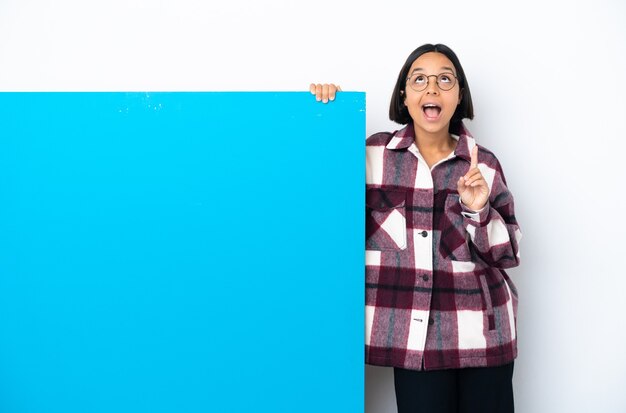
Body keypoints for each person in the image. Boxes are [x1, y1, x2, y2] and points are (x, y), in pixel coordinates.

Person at [310, 43, 522, 413]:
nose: (432, 88)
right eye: (419, 79)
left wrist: (478, 209)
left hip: (483, 336)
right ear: (404, 95)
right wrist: (326, 114)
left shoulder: (482, 164)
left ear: (459, 96)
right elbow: (318, 198)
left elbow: (508, 253)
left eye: (445, 79)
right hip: (414, 341)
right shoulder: (371, 157)